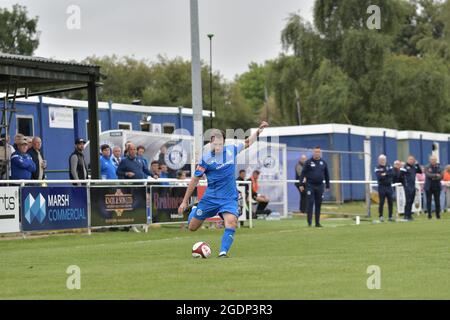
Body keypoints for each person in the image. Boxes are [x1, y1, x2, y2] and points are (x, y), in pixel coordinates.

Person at [178, 121, 268, 258]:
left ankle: (223, 253)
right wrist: (185, 201)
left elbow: (248, 143)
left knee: (231, 222)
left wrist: (258, 131)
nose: (217, 144)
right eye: (215, 142)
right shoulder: (206, 160)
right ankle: (195, 209)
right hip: (211, 198)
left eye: (220, 142)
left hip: (228, 198)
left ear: (223, 142)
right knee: (192, 227)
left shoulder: (232, 149)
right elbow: (194, 180)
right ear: (211, 143)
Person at [299, 146, 330, 228]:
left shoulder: (323, 162)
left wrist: (327, 185)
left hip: (320, 186)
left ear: (320, 153)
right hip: (310, 185)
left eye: (318, 152)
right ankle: (309, 223)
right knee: (310, 203)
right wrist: (301, 184)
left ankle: (317, 223)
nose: (317, 153)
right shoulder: (308, 162)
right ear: (313, 152)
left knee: (318, 204)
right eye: (316, 152)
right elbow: (302, 174)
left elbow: (327, 175)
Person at [400, 156, 422, 221]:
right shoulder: (404, 167)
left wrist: (417, 164)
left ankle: (409, 215)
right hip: (407, 186)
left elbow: (420, 171)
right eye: (410, 159)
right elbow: (400, 175)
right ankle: (406, 215)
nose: (411, 161)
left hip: (413, 185)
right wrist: (404, 183)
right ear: (408, 160)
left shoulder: (414, 167)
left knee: (411, 201)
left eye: (413, 160)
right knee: (408, 200)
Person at [375, 155, 394, 222]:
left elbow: (392, 173)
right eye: (381, 159)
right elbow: (379, 177)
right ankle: (381, 216)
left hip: (389, 186)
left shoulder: (389, 166)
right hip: (382, 187)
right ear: (379, 160)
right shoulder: (377, 167)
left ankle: (390, 216)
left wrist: (384, 174)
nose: (382, 161)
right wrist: (386, 174)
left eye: (384, 159)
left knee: (390, 202)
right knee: (381, 202)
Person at [424, 155, 442, 219]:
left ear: (436, 160)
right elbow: (428, 175)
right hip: (429, 186)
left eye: (434, 160)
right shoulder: (427, 167)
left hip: (437, 186)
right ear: (429, 160)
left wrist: (434, 176)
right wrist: (435, 175)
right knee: (428, 201)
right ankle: (429, 214)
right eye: (432, 160)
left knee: (437, 201)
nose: (433, 161)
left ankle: (438, 215)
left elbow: (441, 175)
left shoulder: (439, 166)